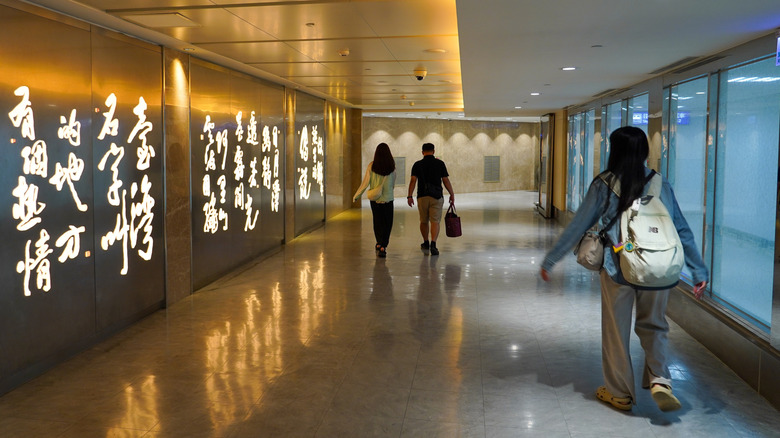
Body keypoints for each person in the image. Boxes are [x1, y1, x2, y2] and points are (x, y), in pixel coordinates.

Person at [540, 126, 708, 412]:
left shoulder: (604, 184)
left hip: (617, 268)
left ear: (614, 151)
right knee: (654, 325)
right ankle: (659, 379)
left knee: (616, 331)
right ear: (645, 151)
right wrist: (698, 271)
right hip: (657, 268)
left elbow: (580, 223)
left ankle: (619, 393)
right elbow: (681, 229)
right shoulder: (660, 183)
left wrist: (551, 259)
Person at [407, 142, 454, 256]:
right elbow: (445, 180)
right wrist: (452, 194)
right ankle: (433, 244)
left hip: (422, 196)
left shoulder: (417, 165)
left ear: (422, 152)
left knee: (423, 221)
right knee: (435, 221)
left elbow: (413, 181)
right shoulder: (440, 163)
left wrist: (409, 196)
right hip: (436, 196)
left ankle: (426, 242)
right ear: (433, 151)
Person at [353, 142, 397, 257]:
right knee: (388, 223)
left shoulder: (372, 166)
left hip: (375, 199)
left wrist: (356, 195)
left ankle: (378, 242)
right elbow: (393, 182)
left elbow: (365, 183)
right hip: (388, 199)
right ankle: (383, 246)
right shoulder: (392, 166)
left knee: (377, 222)